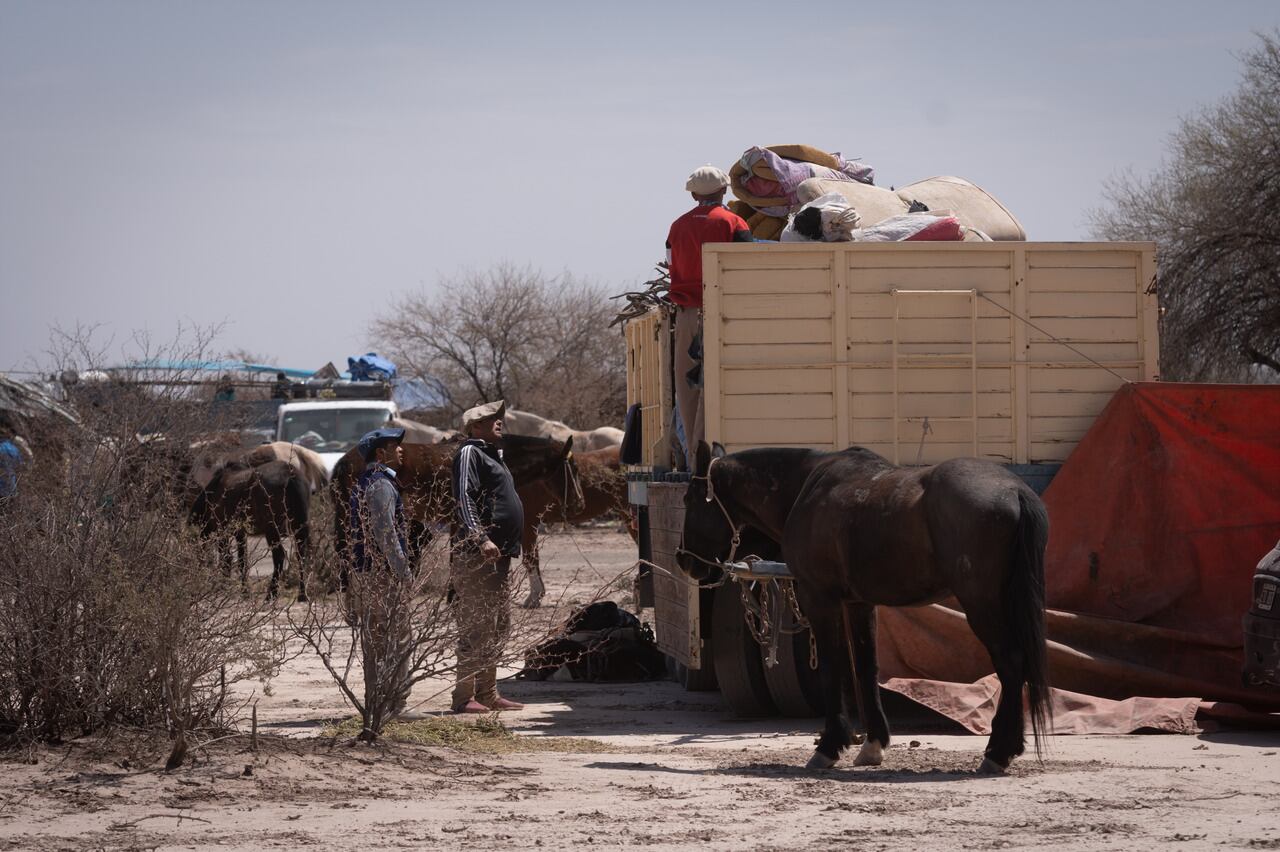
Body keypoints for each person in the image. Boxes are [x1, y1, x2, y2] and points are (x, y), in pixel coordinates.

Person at [666, 165, 753, 471]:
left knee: (687, 387)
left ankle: (693, 459)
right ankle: (709, 461)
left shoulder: (677, 227)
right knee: (715, 384)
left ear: (693, 194)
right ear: (724, 191)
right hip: (721, 312)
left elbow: (671, 264)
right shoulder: (733, 221)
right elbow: (747, 267)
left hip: (688, 315)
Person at [450, 400, 525, 714]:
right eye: (490, 418)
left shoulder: (494, 455)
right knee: (476, 626)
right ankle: (464, 697)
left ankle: (488, 693)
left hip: (500, 555)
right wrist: (480, 538)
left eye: (499, 417)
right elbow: (463, 497)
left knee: (496, 626)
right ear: (474, 427)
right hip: (478, 555)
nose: (498, 421)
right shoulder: (470, 453)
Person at [347, 426, 413, 720]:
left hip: (368, 573)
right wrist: (403, 571)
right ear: (380, 453)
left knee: (376, 641)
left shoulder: (366, 482)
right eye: (393, 445)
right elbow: (386, 534)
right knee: (394, 640)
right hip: (382, 575)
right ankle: (394, 706)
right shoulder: (381, 485)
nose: (401, 449)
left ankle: (378, 705)